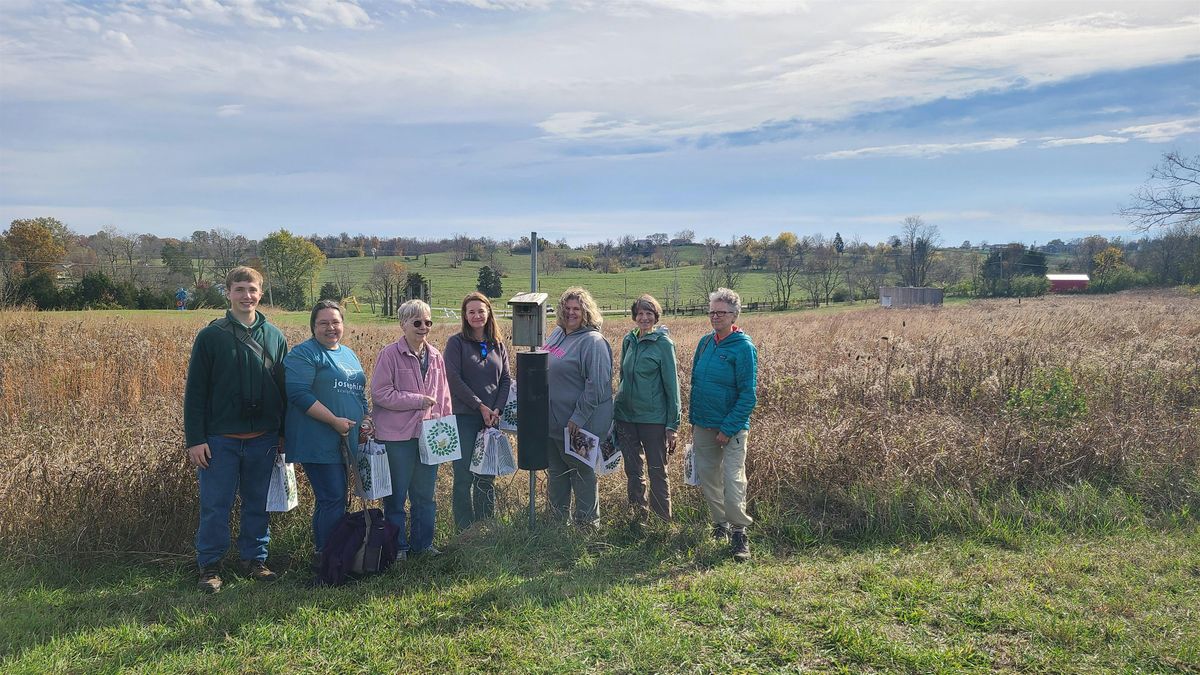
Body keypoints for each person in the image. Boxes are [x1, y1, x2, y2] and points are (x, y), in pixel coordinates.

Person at [184, 266, 288, 593]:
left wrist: (284, 434)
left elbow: (284, 391)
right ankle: (210, 566)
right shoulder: (211, 336)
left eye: (252, 289)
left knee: (257, 502)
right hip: (220, 440)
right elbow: (196, 392)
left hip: (264, 439)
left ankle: (254, 560)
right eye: (240, 289)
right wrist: (196, 439)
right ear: (228, 293)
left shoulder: (275, 336)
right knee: (216, 504)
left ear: (261, 293)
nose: (247, 296)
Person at [283, 300, 368, 568]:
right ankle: (327, 559)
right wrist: (332, 420)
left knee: (337, 498)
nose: (331, 328)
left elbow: (358, 393)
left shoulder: (348, 354)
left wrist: (366, 420)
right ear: (313, 326)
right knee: (332, 497)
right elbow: (298, 393)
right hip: (317, 439)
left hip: (346, 439)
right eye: (324, 323)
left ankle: (334, 555)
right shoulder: (304, 354)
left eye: (336, 322)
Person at [371, 299, 452, 558]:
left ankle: (423, 545)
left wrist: (445, 427)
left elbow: (444, 395)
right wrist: (417, 401)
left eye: (428, 322)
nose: (423, 327)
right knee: (396, 497)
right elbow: (380, 394)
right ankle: (398, 548)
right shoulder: (389, 354)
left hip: (429, 435)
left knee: (425, 495)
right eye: (417, 322)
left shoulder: (436, 356)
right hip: (398, 437)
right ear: (402, 324)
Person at [689, 287, 758, 562]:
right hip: (703, 424)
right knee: (708, 478)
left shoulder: (743, 347)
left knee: (733, 479)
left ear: (734, 315)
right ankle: (721, 524)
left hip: (732, 428)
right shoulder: (705, 343)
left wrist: (728, 428)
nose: (715, 317)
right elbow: (696, 382)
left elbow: (748, 394)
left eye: (721, 312)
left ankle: (740, 532)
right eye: (712, 312)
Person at [544, 287, 613, 529]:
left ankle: (587, 527)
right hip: (554, 423)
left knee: (582, 473)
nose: (571, 313)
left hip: (579, 424)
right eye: (567, 308)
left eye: (577, 309)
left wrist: (579, 417)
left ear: (586, 312)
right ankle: (556, 525)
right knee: (557, 473)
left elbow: (597, 384)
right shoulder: (557, 334)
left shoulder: (592, 342)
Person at [444, 292, 512, 531]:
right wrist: (479, 405)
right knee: (463, 476)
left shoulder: (497, 344)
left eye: (481, 311)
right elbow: (453, 378)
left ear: (489, 313)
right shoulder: (456, 343)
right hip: (465, 417)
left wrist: (497, 409)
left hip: (491, 421)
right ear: (464, 315)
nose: (476, 315)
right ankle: (464, 529)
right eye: (471, 311)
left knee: (486, 475)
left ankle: (485, 526)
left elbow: (505, 379)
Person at [613, 294, 680, 522]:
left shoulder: (663, 344)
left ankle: (662, 522)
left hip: (653, 419)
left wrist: (673, 424)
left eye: (649, 313)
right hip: (626, 417)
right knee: (633, 470)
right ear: (634, 316)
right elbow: (622, 376)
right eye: (640, 313)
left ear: (655, 316)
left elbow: (672, 386)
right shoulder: (628, 340)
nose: (644, 318)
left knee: (657, 471)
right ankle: (638, 518)